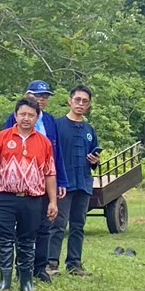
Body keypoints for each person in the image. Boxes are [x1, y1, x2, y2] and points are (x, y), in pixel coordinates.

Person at [0, 97, 59, 291]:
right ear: (16, 115)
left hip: (33, 199)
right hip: (4, 197)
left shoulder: (44, 142)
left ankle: (26, 281)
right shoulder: (1, 137)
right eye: (22, 114)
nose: (26, 118)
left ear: (37, 117)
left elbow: (50, 173)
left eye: (31, 115)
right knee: (4, 238)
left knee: (28, 239)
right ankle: (4, 280)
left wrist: (52, 201)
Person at [4, 81, 68, 283]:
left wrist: (61, 181)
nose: (40, 99)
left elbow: (56, 155)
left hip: (44, 180)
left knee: (45, 225)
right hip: (21, 184)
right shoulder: (13, 120)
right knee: (22, 227)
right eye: (37, 95)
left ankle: (40, 267)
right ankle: (20, 267)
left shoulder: (50, 121)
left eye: (44, 96)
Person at [52, 85, 102, 277]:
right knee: (57, 224)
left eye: (85, 101)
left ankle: (74, 263)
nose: (81, 104)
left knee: (78, 225)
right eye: (77, 100)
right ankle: (51, 263)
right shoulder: (57, 125)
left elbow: (94, 156)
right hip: (64, 184)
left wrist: (95, 161)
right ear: (69, 101)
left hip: (84, 183)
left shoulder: (89, 129)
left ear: (89, 105)